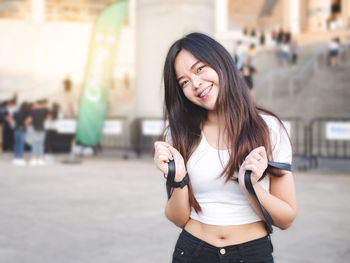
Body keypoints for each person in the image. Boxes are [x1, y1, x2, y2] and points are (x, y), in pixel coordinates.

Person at [154, 33, 297, 263]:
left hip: (251, 253)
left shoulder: (269, 128)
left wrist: (251, 187)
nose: (196, 84)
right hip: (193, 252)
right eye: (184, 82)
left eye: (199, 69)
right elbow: (178, 218)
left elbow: (286, 219)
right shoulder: (178, 133)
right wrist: (178, 178)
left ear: (221, 62)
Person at [27, 99, 51, 165]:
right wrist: (44, 120)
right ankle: (41, 159)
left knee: (34, 143)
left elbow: (29, 119)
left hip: (34, 128)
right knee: (41, 143)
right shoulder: (45, 110)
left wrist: (27, 124)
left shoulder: (33, 111)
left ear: (37, 104)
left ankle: (34, 158)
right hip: (42, 128)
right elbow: (49, 117)